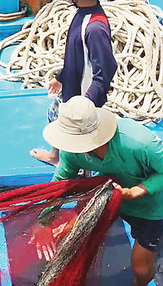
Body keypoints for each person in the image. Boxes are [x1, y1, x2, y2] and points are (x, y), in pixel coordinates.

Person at [31, 96, 163, 286]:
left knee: (141, 268)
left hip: (152, 207)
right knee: (69, 230)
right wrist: (43, 221)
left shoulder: (139, 142)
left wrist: (137, 191)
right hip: (110, 195)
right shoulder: (71, 150)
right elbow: (61, 182)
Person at [31, 0, 117, 165]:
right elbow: (77, 56)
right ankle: (56, 156)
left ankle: (78, 167)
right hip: (72, 88)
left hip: (84, 96)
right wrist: (61, 77)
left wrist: (86, 104)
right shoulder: (82, 14)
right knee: (55, 115)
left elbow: (105, 71)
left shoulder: (95, 28)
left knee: (78, 136)